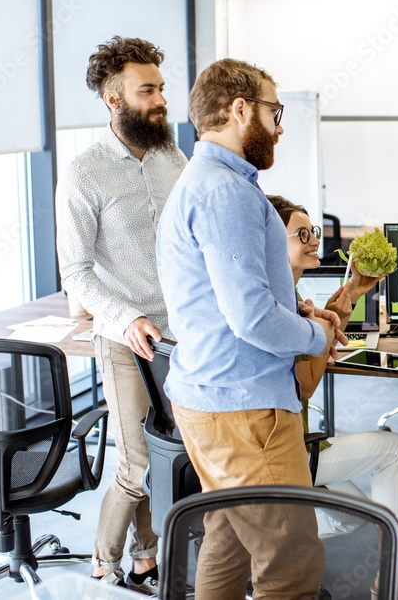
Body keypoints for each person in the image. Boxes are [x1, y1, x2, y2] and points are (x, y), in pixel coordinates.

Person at [156, 59, 347, 600]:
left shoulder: (204, 182)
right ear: (240, 111)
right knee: (291, 563)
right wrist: (318, 338)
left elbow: (237, 300)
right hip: (243, 408)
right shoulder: (226, 192)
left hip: (209, 398)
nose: (281, 126)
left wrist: (297, 312)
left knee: (228, 539)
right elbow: (251, 319)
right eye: (274, 111)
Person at [267, 194, 398, 600]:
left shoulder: (288, 300)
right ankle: (396, 581)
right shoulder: (281, 308)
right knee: (389, 448)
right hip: (282, 455)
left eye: (312, 231)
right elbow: (306, 386)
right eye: (301, 234)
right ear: (268, 239)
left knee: (363, 521)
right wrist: (324, 326)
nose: (314, 240)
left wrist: (345, 299)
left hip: (287, 446)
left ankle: (387, 575)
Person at [56, 36, 187, 594]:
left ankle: (146, 557)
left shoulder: (169, 153)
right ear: (114, 101)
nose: (161, 100)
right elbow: (76, 271)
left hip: (182, 334)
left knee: (167, 454)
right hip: (124, 338)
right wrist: (127, 318)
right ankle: (103, 564)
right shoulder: (85, 173)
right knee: (136, 467)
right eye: (149, 90)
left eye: (161, 88)